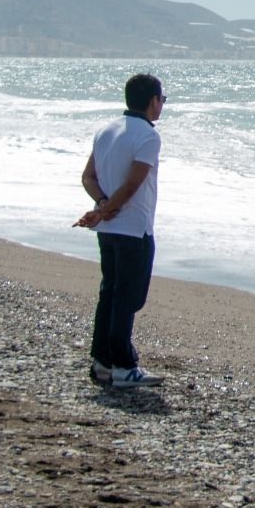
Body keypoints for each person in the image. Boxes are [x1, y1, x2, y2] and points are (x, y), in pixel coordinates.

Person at [76, 73, 166, 389]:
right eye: (162, 99)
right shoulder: (148, 136)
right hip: (133, 229)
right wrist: (106, 208)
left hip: (109, 228)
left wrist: (102, 205)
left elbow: (88, 177)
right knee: (127, 298)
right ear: (152, 101)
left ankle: (102, 361)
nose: (162, 105)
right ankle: (123, 365)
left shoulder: (106, 129)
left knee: (111, 294)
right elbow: (131, 185)